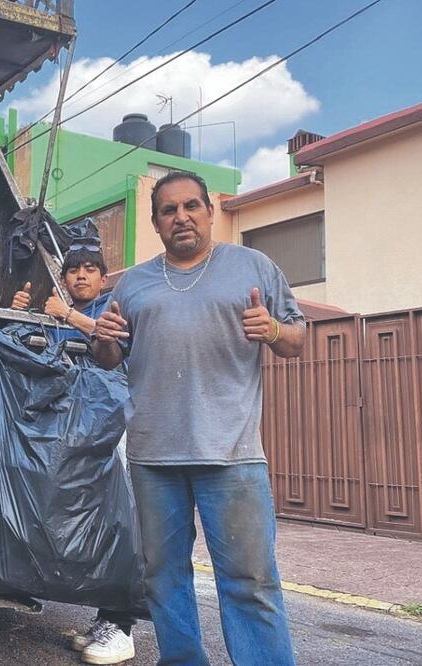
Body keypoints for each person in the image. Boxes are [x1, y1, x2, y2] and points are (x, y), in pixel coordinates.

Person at [93, 171, 305, 665]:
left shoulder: (253, 266)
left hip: (232, 454)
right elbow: (110, 357)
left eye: (191, 206)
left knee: (250, 582)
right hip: (152, 456)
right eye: (169, 210)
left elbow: (296, 339)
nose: (181, 217)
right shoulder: (134, 283)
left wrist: (273, 329)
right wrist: (103, 338)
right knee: (163, 578)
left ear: (210, 212)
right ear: (156, 223)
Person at [11, 243, 139, 666]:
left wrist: (68, 315)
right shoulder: (53, 312)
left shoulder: (116, 307)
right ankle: (103, 620)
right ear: (64, 279)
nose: (81, 276)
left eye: (90, 269)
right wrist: (18, 314)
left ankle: (122, 626)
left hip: (111, 432)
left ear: (103, 277)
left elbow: (118, 345)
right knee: (83, 522)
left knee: (118, 522)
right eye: (73, 270)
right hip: (70, 433)